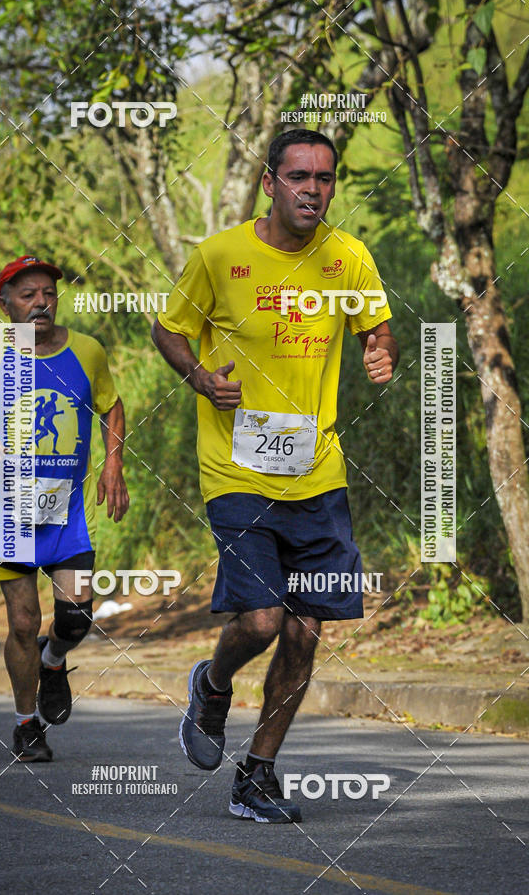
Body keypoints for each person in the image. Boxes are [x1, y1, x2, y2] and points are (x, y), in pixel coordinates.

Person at [151, 129, 398, 823]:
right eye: (298, 176)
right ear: (270, 182)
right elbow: (168, 329)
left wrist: (382, 351)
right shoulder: (219, 256)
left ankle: (256, 773)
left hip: (317, 473)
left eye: (325, 178)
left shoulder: (348, 257)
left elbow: (377, 329)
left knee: (305, 629)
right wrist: (199, 376)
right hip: (236, 469)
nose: (312, 189)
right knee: (261, 618)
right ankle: (213, 682)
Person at [0, 255, 129, 762]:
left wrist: (113, 464)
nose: (41, 303)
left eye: (49, 293)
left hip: (68, 512)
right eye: (28, 295)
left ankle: (53, 663)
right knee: (23, 623)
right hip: (9, 515)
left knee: (75, 618)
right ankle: (26, 725)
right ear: (4, 303)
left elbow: (111, 406)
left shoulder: (87, 351)